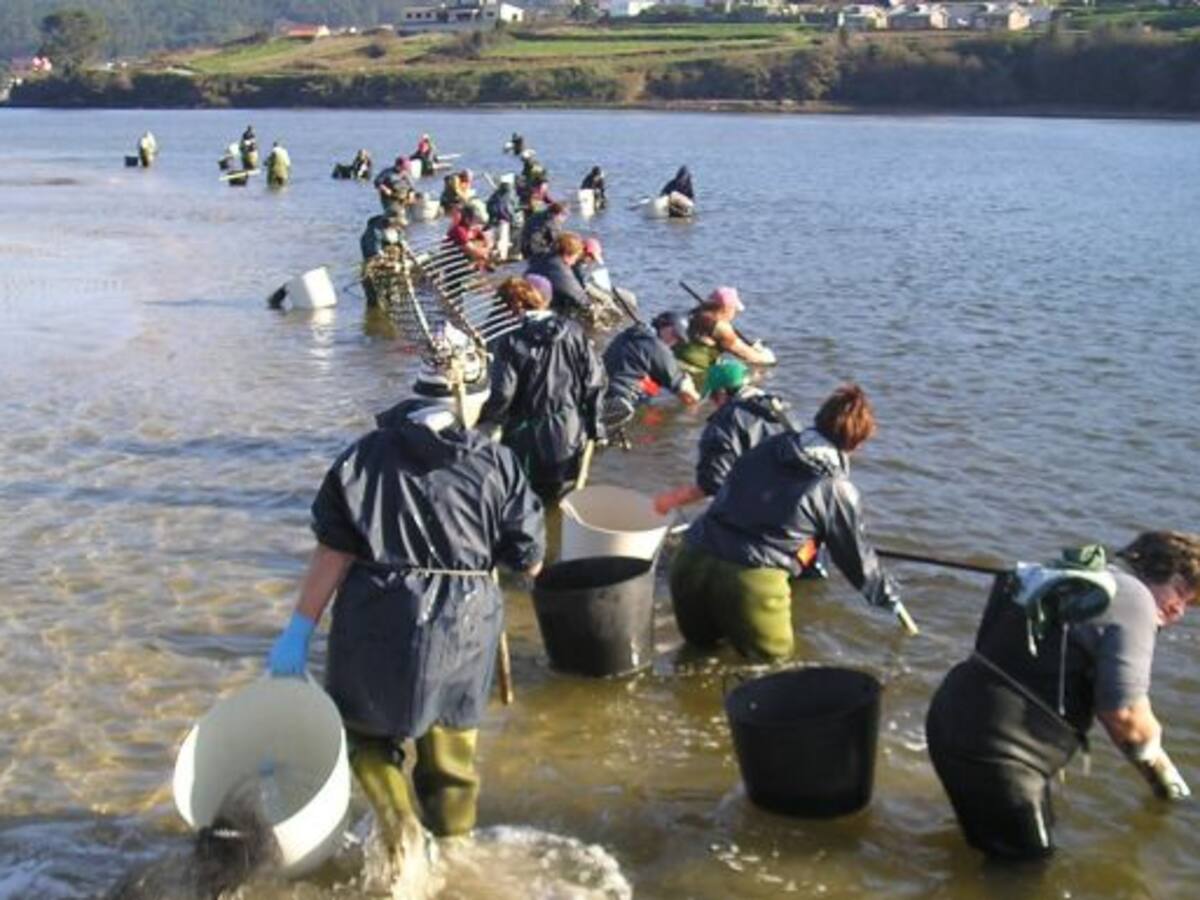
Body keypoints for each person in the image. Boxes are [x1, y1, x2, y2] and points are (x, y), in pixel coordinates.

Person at [266, 332, 545, 870]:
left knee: (368, 739)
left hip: (376, 617)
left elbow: (332, 553)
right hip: (465, 624)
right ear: (473, 398)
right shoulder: (499, 462)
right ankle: (456, 854)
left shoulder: (362, 456)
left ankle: (399, 832)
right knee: (452, 751)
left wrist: (297, 630)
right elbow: (527, 559)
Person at [926, 532, 1199, 861]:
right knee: (1025, 875)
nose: (1179, 609)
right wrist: (1168, 785)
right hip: (1002, 752)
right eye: (1181, 591)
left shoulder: (1066, 575)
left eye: (1191, 603)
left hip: (951, 717)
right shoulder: (1135, 598)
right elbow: (1125, 716)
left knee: (998, 846)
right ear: (1155, 567)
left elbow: (988, 641)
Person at [668, 384, 905, 661]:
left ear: (820, 420)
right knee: (772, 673)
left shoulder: (769, 446)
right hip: (750, 582)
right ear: (857, 444)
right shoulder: (835, 488)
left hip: (691, 558)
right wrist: (889, 598)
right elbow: (856, 559)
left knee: (695, 658)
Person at [477, 276, 606, 502]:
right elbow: (594, 381)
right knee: (563, 500)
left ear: (510, 308)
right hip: (569, 433)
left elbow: (503, 393)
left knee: (525, 502)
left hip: (526, 439)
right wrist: (596, 427)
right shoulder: (575, 332)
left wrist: (485, 422)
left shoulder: (510, 341)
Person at [654, 360, 792, 515]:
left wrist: (669, 501)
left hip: (762, 512)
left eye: (713, 397)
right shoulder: (781, 410)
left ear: (721, 393)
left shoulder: (725, 422)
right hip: (796, 504)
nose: (713, 404)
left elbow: (712, 482)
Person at [601, 309, 699, 429]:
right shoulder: (658, 347)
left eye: (678, 339)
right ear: (663, 325)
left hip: (602, 391)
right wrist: (698, 409)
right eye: (674, 334)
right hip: (622, 402)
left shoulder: (629, 334)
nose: (674, 341)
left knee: (656, 389)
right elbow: (685, 389)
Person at [674, 286, 776, 379]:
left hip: (675, 365)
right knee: (743, 374)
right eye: (734, 310)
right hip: (693, 372)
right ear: (726, 308)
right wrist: (765, 355)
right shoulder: (721, 327)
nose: (735, 313)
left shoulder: (694, 315)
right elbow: (748, 355)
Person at [524, 232, 591, 319]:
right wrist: (590, 306)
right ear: (568, 255)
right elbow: (579, 297)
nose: (575, 261)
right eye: (576, 256)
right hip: (538, 307)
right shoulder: (559, 268)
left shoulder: (545, 256)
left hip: (527, 298)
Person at [359, 209, 408, 307]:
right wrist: (392, 264)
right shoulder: (374, 232)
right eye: (397, 223)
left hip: (392, 270)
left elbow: (403, 246)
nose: (399, 226)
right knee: (377, 304)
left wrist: (404, 260)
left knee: (393, 300)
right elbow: (374, 257)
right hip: (374, 272)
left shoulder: (398, 230)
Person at [445, 203, 492, 269]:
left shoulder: (474, 228)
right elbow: (473, 250)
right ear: (467, 219)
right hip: (454, 264)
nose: (477, 222)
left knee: (480, 244)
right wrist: (487, 250)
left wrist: (486, 248)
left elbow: (489, 241)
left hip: (466, 261)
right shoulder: (459, 230)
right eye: (475, 219)